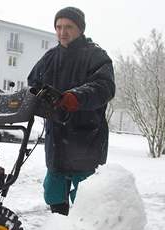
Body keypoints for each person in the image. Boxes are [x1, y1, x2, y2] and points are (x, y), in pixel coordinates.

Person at [27, 7, 115, 216]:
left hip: (86, 137)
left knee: (86, 195)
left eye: (68, 27)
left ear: (80, 29)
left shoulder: (96, 56)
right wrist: (40, 96)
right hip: (57, 137)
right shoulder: (50, 57)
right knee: (53, 191)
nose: (62, 32)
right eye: (58, 27)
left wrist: (75, 97)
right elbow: (33, 82)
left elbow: (105, 87)